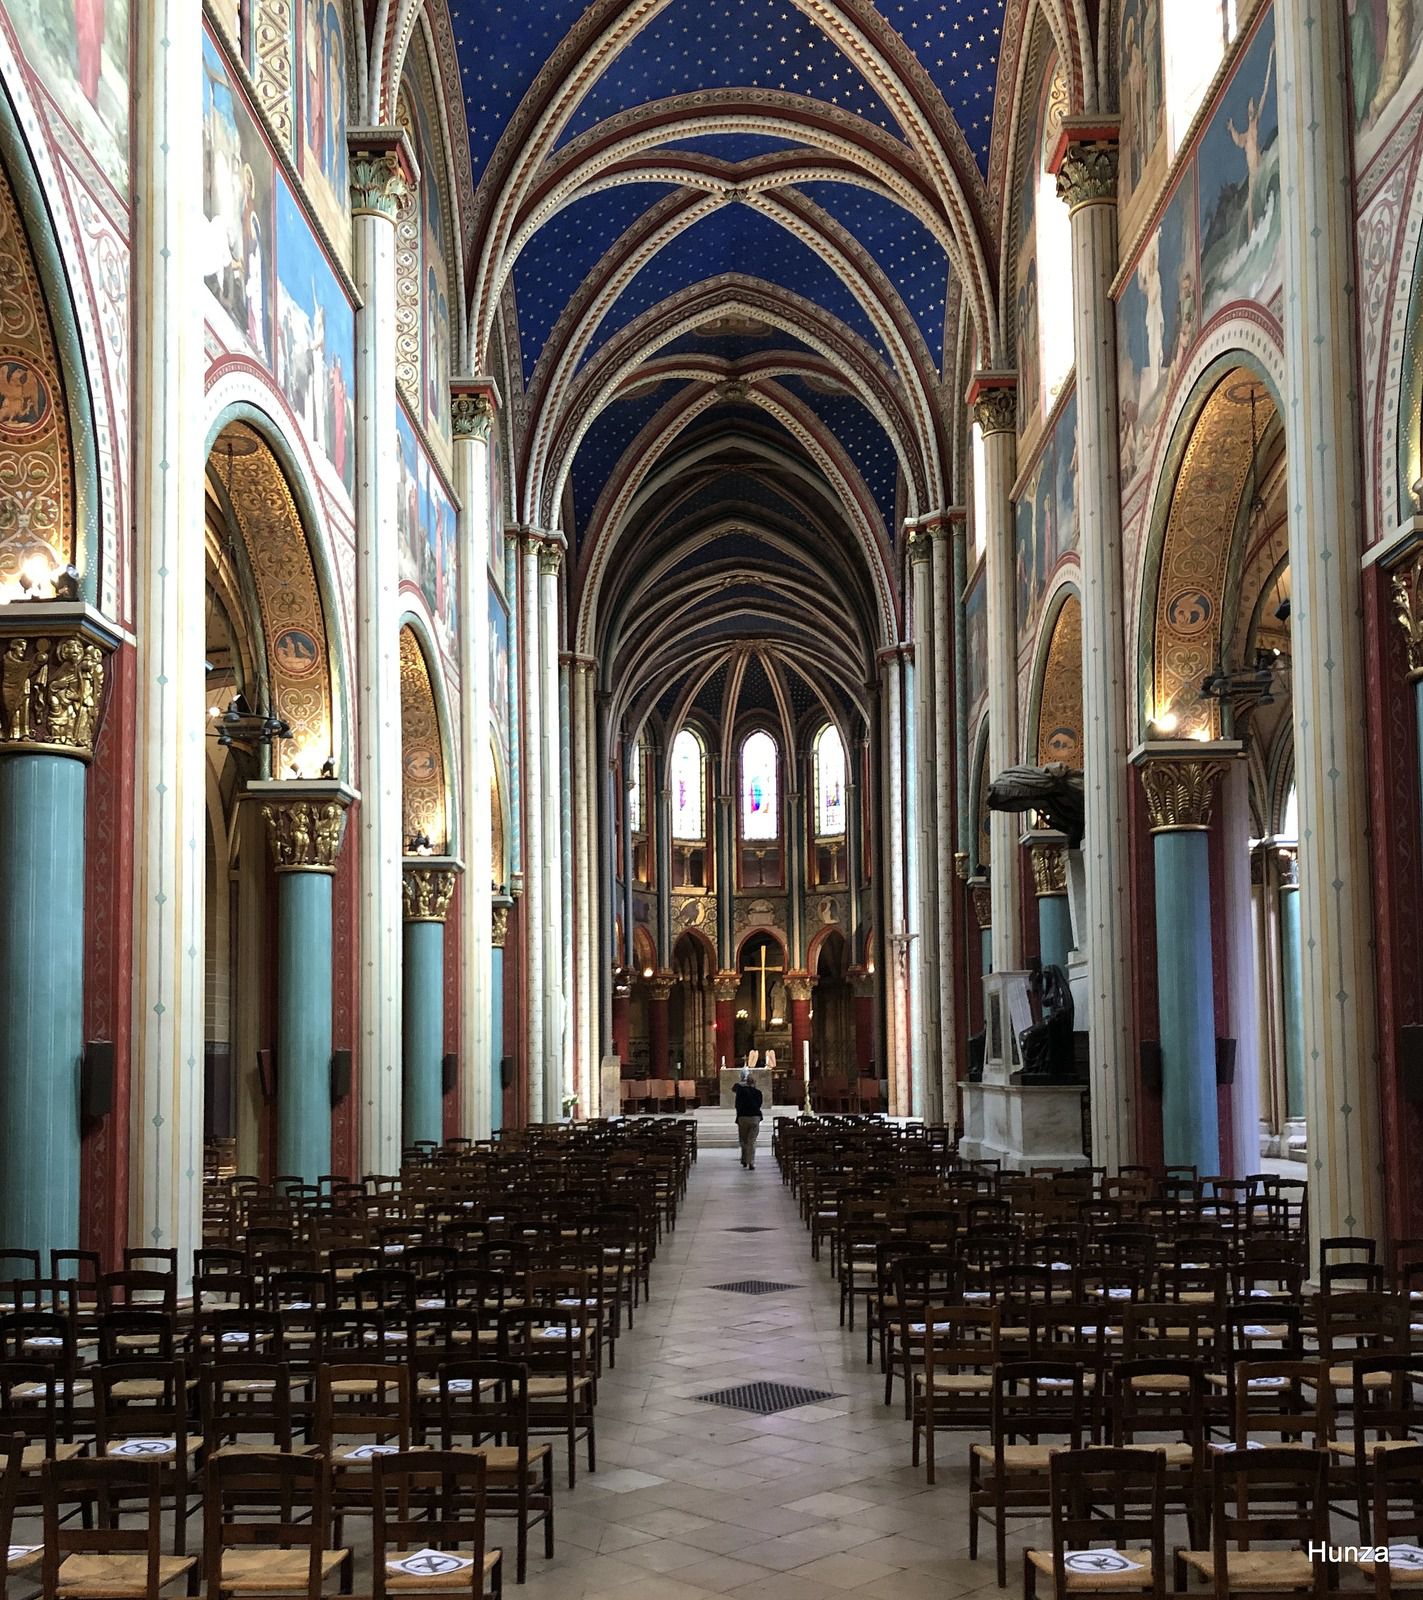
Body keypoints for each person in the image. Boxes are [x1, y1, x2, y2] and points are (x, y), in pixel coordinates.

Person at [733, 1070, 763, 1170]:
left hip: (742, 1117)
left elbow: (736, 1104)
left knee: (743, 1140)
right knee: (752, 1141)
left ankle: (744, 1159)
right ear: (754, 1083)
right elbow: (759, 1105)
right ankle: (751, 1162)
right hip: (754, 1117)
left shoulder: (740, 1091)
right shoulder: (758, 1093)